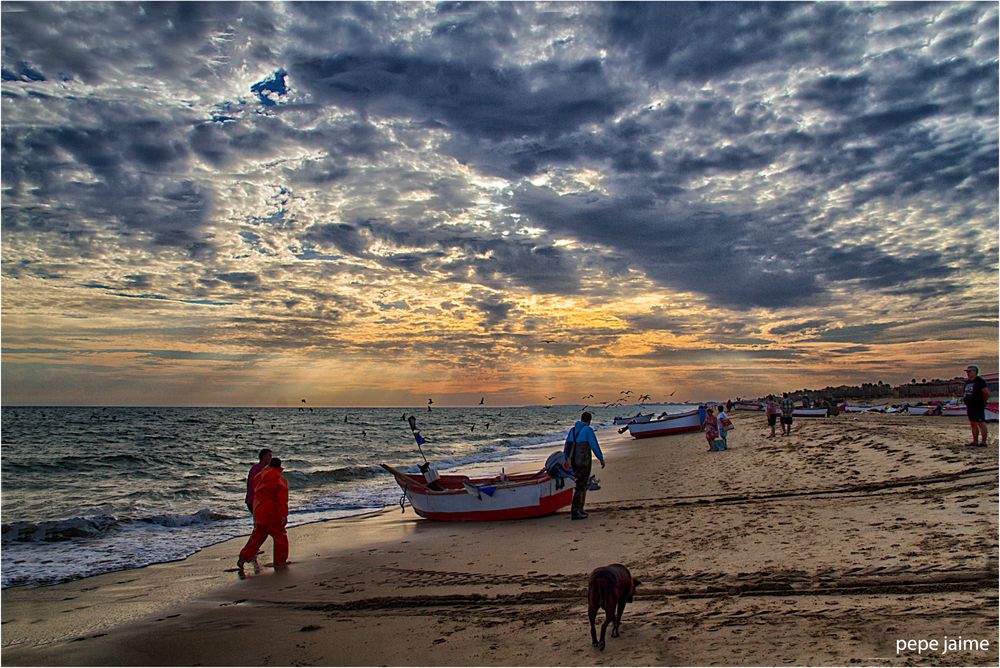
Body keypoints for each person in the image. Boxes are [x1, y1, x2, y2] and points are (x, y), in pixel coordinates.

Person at [238, 457, 289, 572]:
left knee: (257, 538)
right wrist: (283, 515)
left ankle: (243, 557)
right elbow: (282, 500)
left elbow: (255, 490)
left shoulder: (259, 477)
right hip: (272, 514)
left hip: (259, 511)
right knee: (280, 537)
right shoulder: (279, 480)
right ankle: (280, 561)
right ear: (279, 467)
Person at [563, 412, 605, 520]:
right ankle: (576, 511)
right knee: (582, 485)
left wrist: (565, 460)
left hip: (573, 461)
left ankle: (579, 509)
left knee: (578, 484)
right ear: (589, 420)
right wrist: (601, 458)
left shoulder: (572, 430)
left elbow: (567, 446)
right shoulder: (588, 430)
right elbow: (594, 445)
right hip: (583, 461)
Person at [962, 365, 990, 447]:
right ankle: (975, 441)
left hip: (978, 405)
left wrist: (983, 402)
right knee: (973, 423)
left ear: (975, 372)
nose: (967, 373)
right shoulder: (968, 382)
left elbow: (986, 393)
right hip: (970, 405)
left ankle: (983, 442)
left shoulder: (980, 381)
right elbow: (966, 393)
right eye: (967, 372)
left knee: (981, 422)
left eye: (969, 371)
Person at [245, 448, 272, 513]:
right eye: (269, 456)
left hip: (251, 500)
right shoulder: (261, 469)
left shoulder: (255, 467)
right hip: (255, 501)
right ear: (264, 456)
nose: (271, 458)